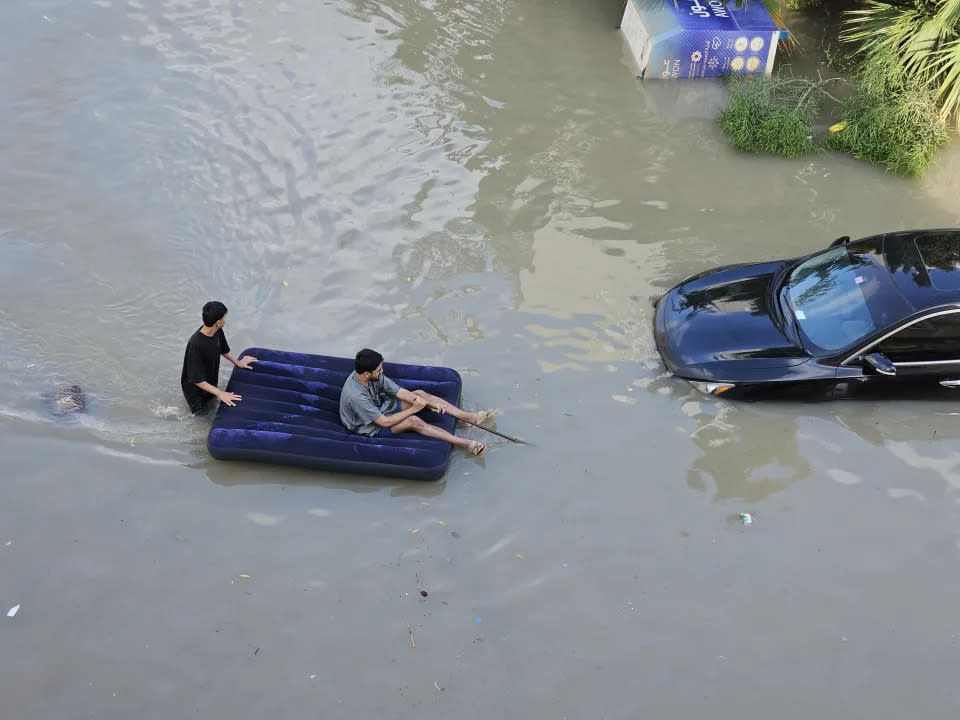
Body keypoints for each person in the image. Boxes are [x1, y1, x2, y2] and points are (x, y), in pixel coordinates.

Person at [339, 348, 494, 455]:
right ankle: (465, 444)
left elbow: (400, 392)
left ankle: (469, 418)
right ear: (366, 374)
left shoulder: (373, 375)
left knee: (419, 394)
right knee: (413, 420)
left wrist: (431, 404)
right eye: (379, 370)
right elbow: (384, 422)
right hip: (368, 426)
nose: (382, 372)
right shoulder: (356, 396)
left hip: (380, 404)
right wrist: (414, 409)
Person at [180, 301, 257, 413]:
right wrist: (221, 393)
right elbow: (196, 380)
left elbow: (223, 350)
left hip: (210, 381)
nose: (226, 319)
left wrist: (238, 362)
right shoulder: (196, 344)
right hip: (196, 392)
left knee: (213, 404)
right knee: (203, 416)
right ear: (218, 322)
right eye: (225, 317)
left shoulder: (217, 330)